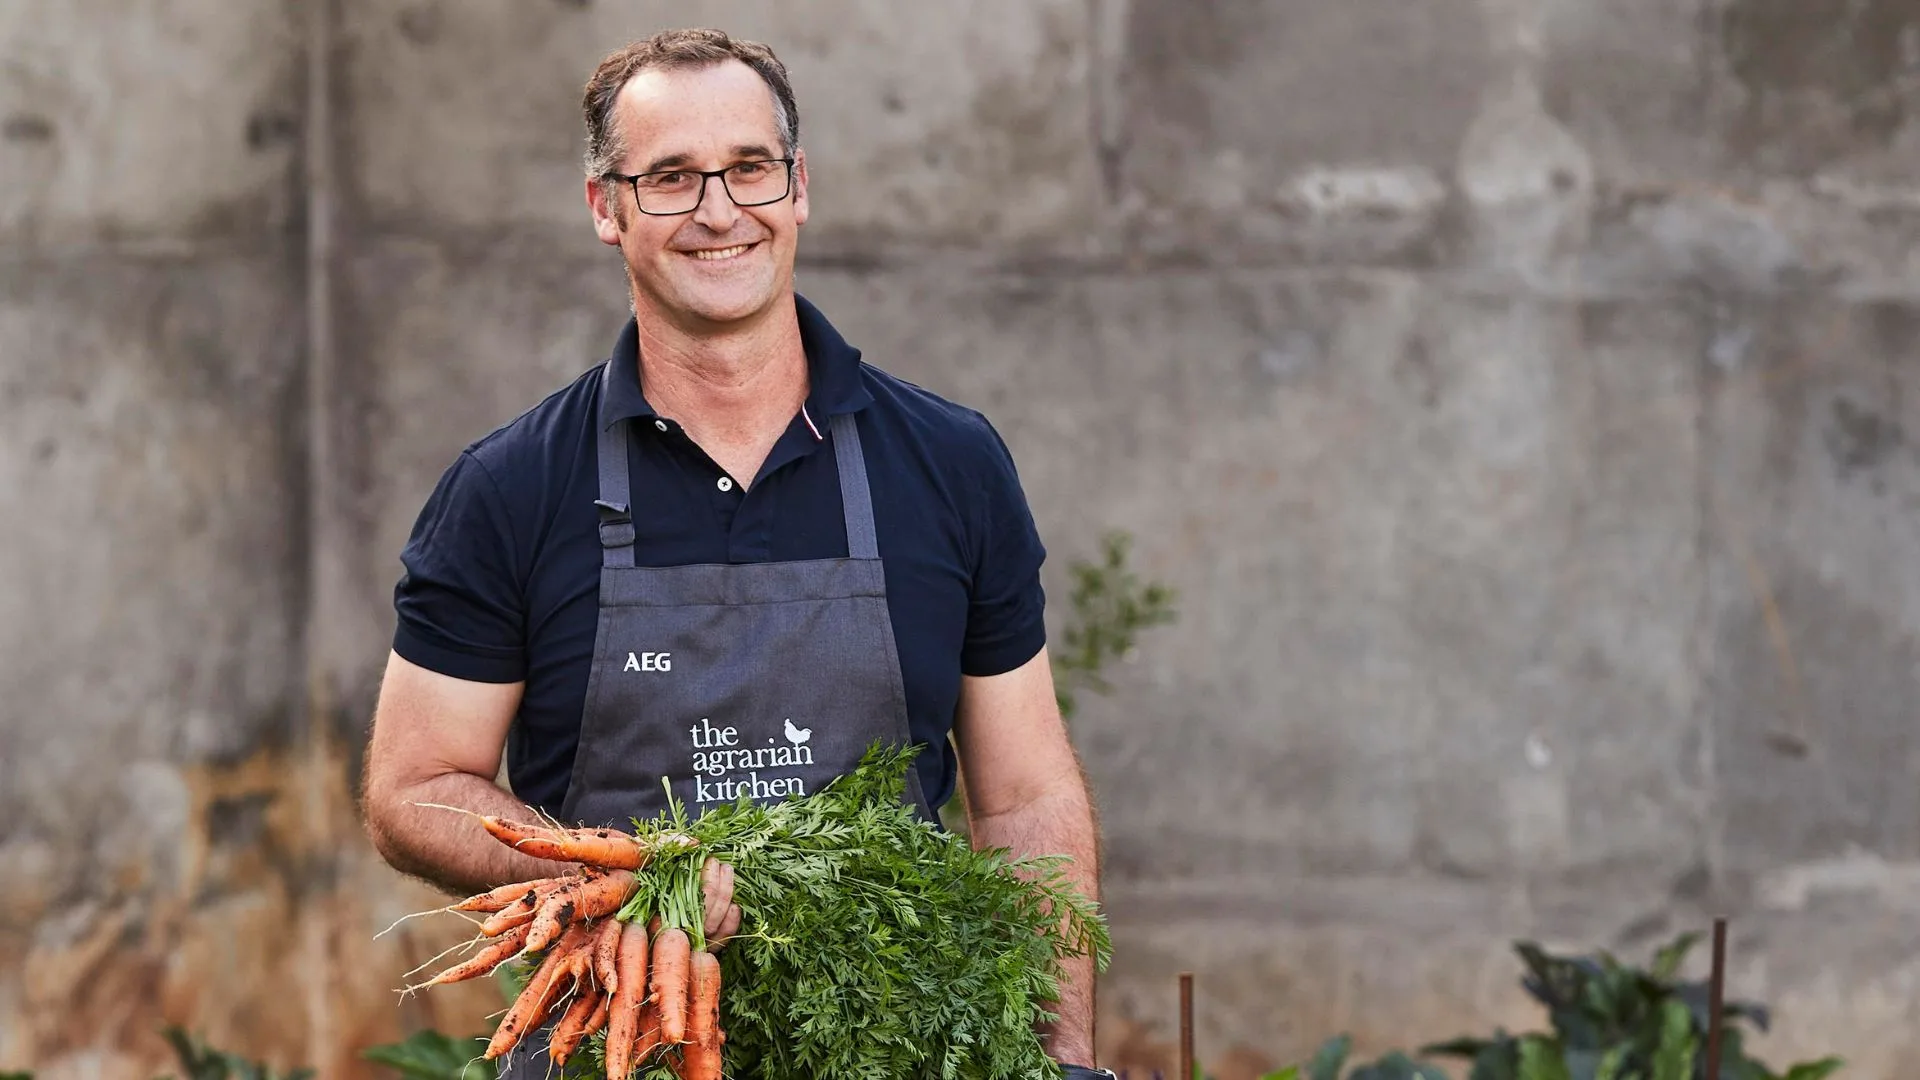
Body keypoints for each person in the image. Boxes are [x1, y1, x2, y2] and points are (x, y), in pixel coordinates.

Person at [357, 26, 1110, 1080]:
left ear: (798, 187)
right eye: (668, 178)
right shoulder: (510, 490)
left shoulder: (948, 463)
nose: (719, 210)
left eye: (749, 167)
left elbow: (1026, 798)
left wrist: (1061, 1061)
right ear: (604, 209)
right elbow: (412, 788)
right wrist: (608, 875)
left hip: (905, 1046)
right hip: (612, 1051)